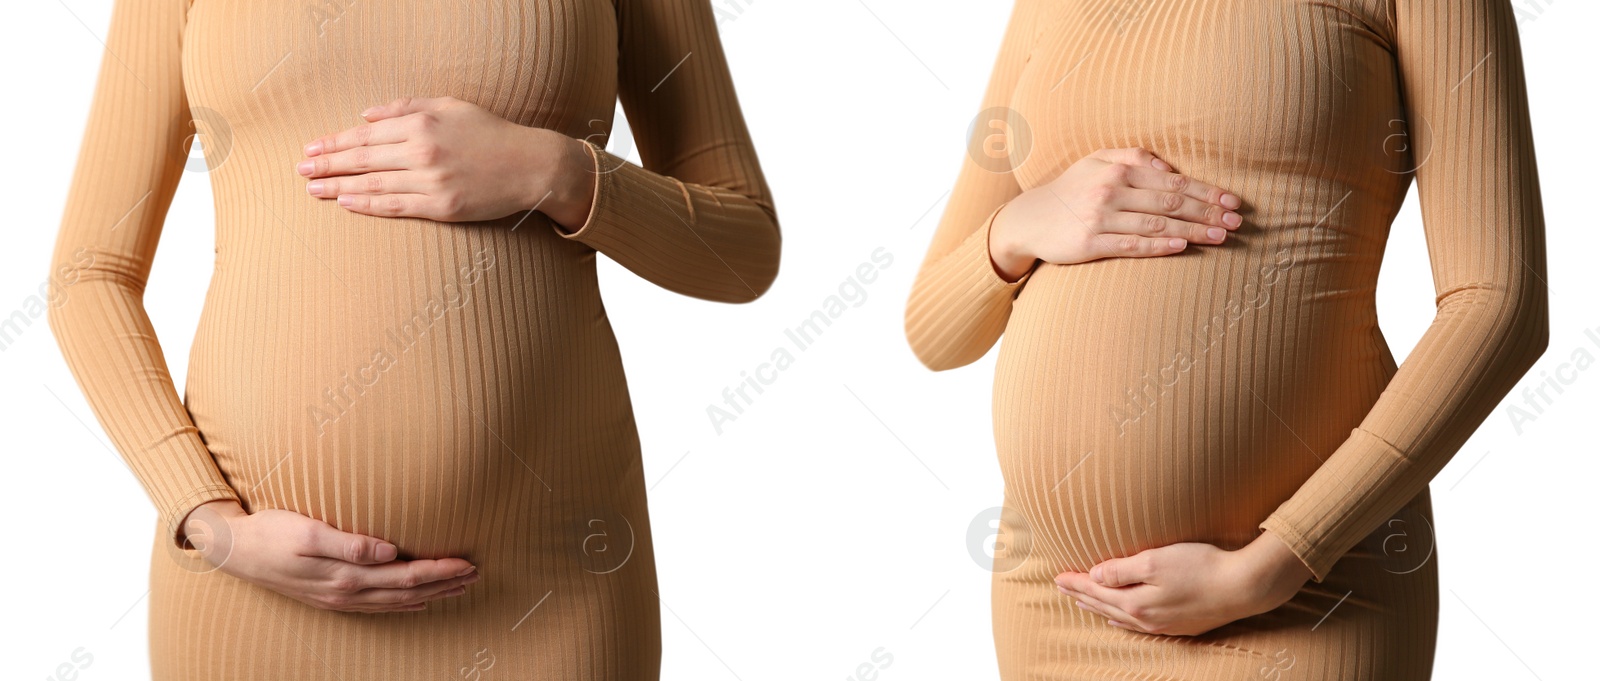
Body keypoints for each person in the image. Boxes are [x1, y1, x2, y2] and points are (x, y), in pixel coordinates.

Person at [48, 1, 778, 678]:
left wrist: (557, 172)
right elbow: (91, 275)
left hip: (553, 592)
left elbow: (742, 249)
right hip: (254, 599)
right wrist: (205, 517)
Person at [905, 1, 1547, 677]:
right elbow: (935, 332)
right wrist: (1015, 227)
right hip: (1058, 599)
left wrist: (1280, 559)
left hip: (1307, 598)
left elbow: (1500, 303)